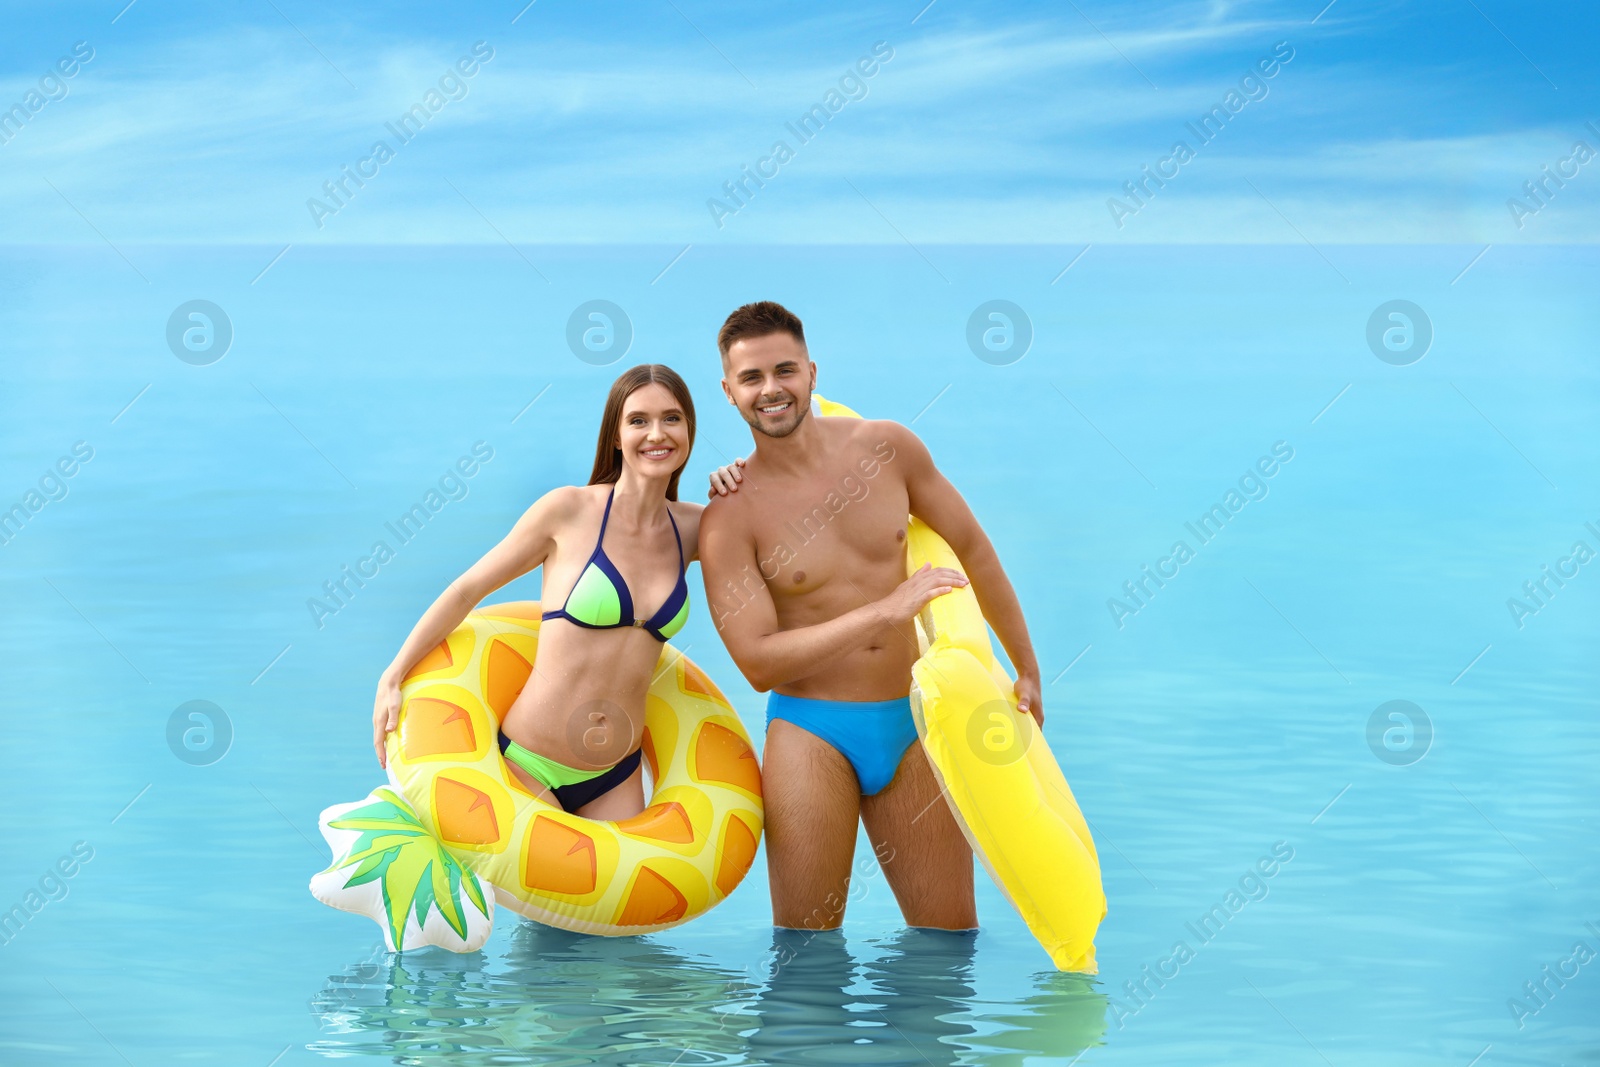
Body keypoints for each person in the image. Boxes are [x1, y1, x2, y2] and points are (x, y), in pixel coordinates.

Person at [700, 301, 1042, 932]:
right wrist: (885, 613)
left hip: (914, 724)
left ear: (811, 372)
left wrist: (1026, 665)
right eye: (751, 379)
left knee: (947, 944)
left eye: (785, 371)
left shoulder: (887, 448)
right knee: (806, 956)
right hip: (812, 732)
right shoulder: (730, 514)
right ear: (729, 392)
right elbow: (756, 661)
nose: (770, 390)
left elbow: (974, 548)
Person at [371, 364, 705, 821]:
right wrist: (393, 675)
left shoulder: (697, 528)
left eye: (672, 418)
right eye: (638, 420)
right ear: (615, 435)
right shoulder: (567, 511)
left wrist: (741, 480)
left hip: (616, 774)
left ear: (689, 428)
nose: (656, 434)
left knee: (625, 893)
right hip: (529, 762)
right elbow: (468, 589)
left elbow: (778, 546)